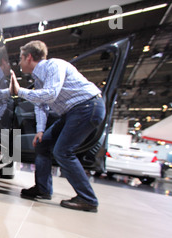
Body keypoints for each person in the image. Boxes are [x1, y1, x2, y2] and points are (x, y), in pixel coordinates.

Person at [9, 40, 105, 212]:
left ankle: (88, 199)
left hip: (87, 107)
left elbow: (51, 95)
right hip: (73, 112)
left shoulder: (54, 65)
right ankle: (43, 189)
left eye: (20, 59)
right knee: (43, 142)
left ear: (29, 57)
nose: (19, 63)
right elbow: (41, 105)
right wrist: (40, 130)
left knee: (62, 151)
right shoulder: (39, 78)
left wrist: (20, 91)